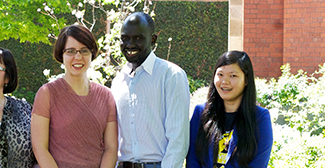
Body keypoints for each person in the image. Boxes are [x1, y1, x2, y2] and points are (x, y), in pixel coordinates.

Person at [31, 25, 118, 168]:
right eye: (71, 51)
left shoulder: (106, 96)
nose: (78, 57)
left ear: (92, 53)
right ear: (61, 54)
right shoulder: (47, 93)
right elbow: (39, 148)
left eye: (84, 51)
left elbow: (111, 148)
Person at [111, 12, 190, 168]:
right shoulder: (117, 82)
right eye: (125, 38)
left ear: (153, 39)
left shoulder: (171, 75)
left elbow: (178, 139)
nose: (130, 44)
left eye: (138, 38)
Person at [186, 51, 273, 168]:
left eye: (233, 76)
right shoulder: (201, 112)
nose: (224, 82)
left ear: (246, 80)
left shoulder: (260, 117)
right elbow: (192, 159)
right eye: (220, 74)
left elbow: (259, 163)